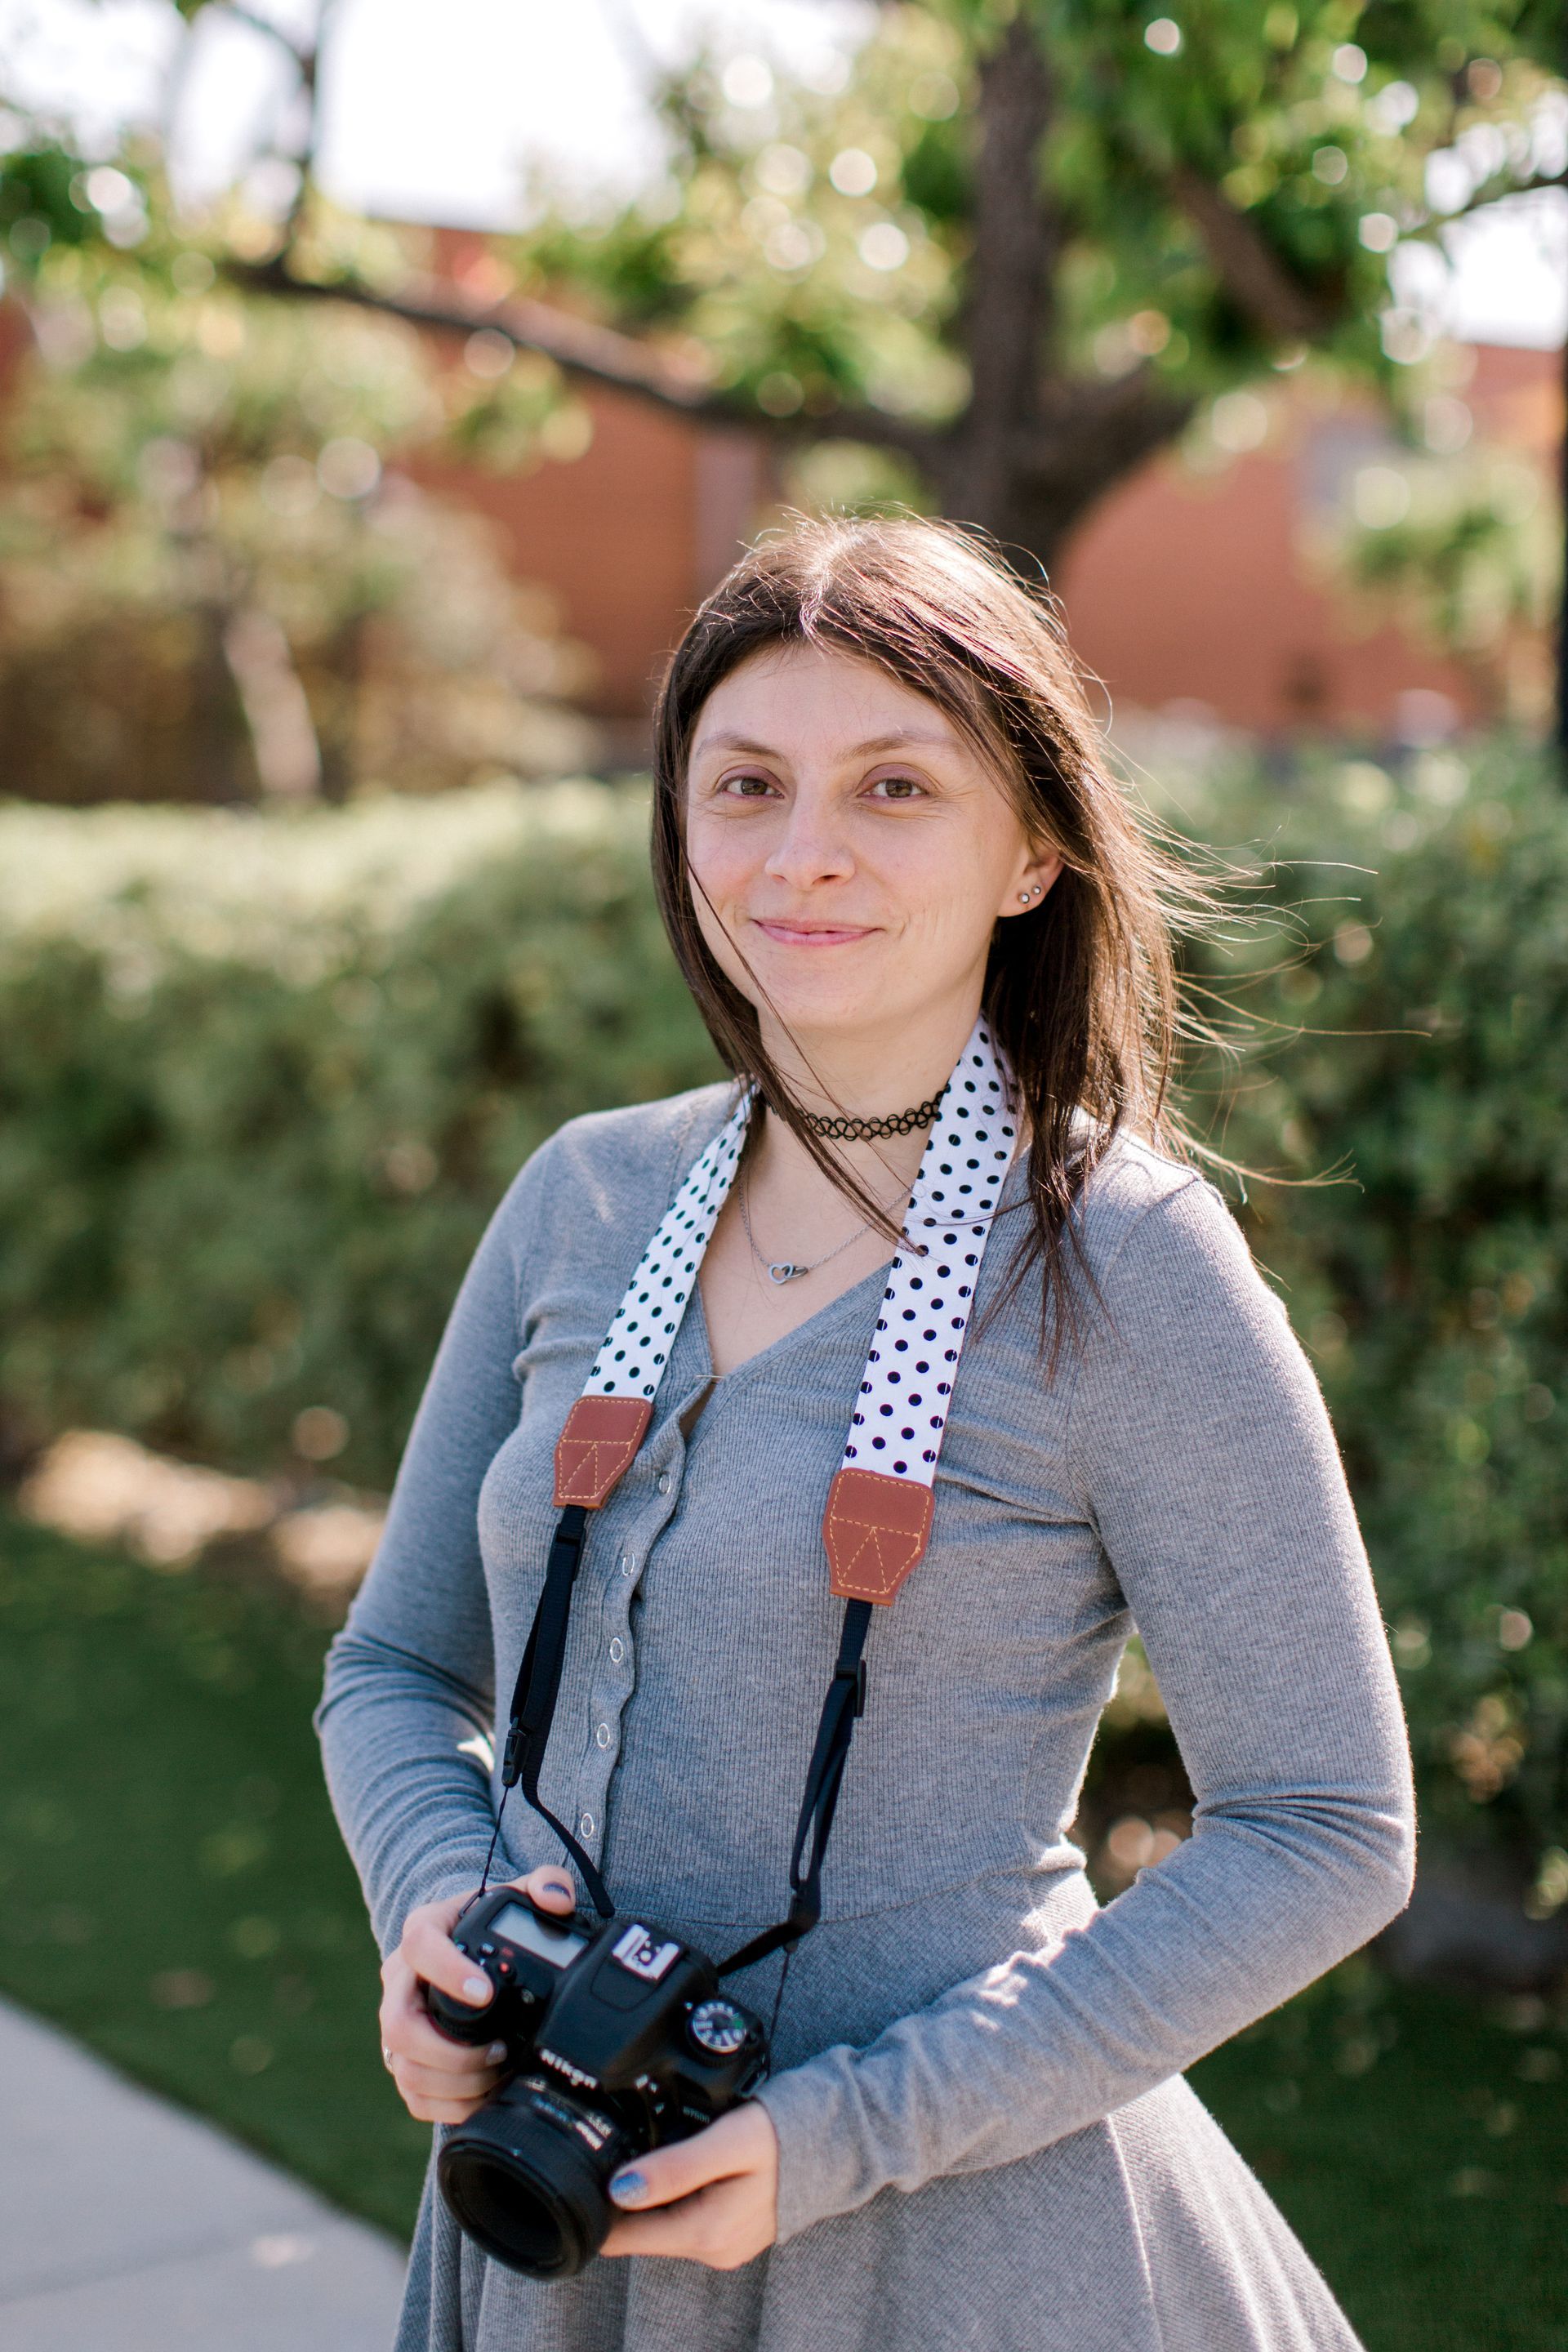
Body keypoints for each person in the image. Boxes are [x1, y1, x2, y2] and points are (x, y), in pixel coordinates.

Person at [317, 514, 1415, 2352]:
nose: (802, 854)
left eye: (896, 786)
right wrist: (438, 1912)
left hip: (964, 2245)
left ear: (1034, 850)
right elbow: (398, 1664)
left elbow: (1328, 1826)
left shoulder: (1123, 1264)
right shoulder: (588, 1195)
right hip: (559, 2204)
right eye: (746, 784)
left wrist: (850, 2132)